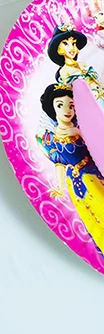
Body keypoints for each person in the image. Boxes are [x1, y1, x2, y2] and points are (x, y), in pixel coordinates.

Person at [38, 83, 104, 253]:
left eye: (71, 105)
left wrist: (80, 133)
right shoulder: (52, 138)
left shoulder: (81, 127)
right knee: (92, 216)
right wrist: (60, 188)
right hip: (76, 181)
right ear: (52, 108)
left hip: (93, 171)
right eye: (60, 105)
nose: (67, 110)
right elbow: (59, 164)